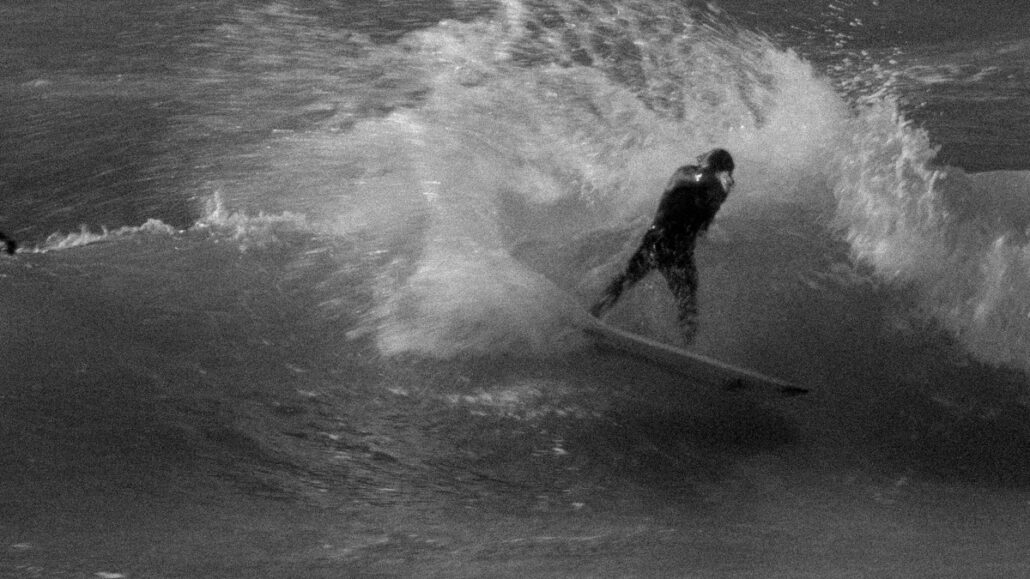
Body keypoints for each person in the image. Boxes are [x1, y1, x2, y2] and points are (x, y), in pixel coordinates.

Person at [589, 148, 735, 341]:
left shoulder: (715, 193)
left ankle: (686, 345)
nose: (728, 178)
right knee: (626, 281)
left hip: (681, 252)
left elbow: (702, 228)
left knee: (688, 299)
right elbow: (699, 178)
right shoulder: (686, 173)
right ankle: (593, 316)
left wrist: (716, 212)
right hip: (659, 241)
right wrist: (715, 181)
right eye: (726, 173)